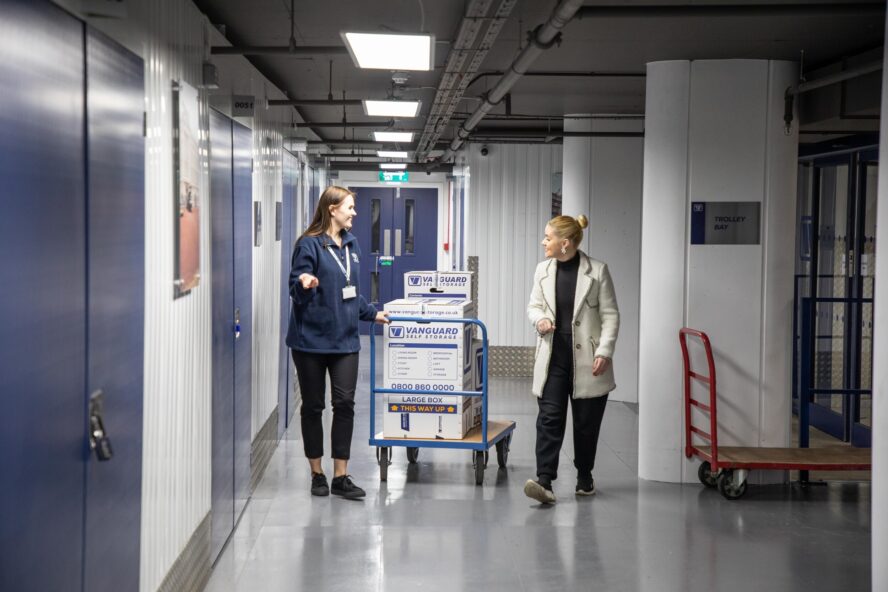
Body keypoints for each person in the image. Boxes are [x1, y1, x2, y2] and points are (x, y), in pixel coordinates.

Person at [287, 186, 389, 499]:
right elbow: (296, 284)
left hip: (345, 342)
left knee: (344, 404)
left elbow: (351, 291)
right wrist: (305, 282)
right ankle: (317, 473)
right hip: (311, 343)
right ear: (332, 209)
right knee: (314, 406)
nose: (354, 213)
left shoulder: (352, 245)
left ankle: (341, 476)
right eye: (349, 207)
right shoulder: (309, 244)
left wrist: (373, 314)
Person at [524, 215, 620, 504]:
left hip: (589, 360)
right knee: (549, 419)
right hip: (554, 356)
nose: (543, 242)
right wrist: (540, 320)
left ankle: (585, 476)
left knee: (585, 423)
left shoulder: (598, 271)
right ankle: (544, 481)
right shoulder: (542, 270)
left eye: (548, 238)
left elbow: (611, 315)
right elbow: (534, 306)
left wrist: (605, 351)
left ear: (564, 243)